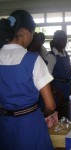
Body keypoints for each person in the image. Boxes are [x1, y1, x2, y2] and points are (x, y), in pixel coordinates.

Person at [0, 10, 56, 150]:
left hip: (4, 125)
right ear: (25, 31)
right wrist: (47, 114)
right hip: (30, 125)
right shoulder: (33, 60)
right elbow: (50, 105)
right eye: (33, 32)